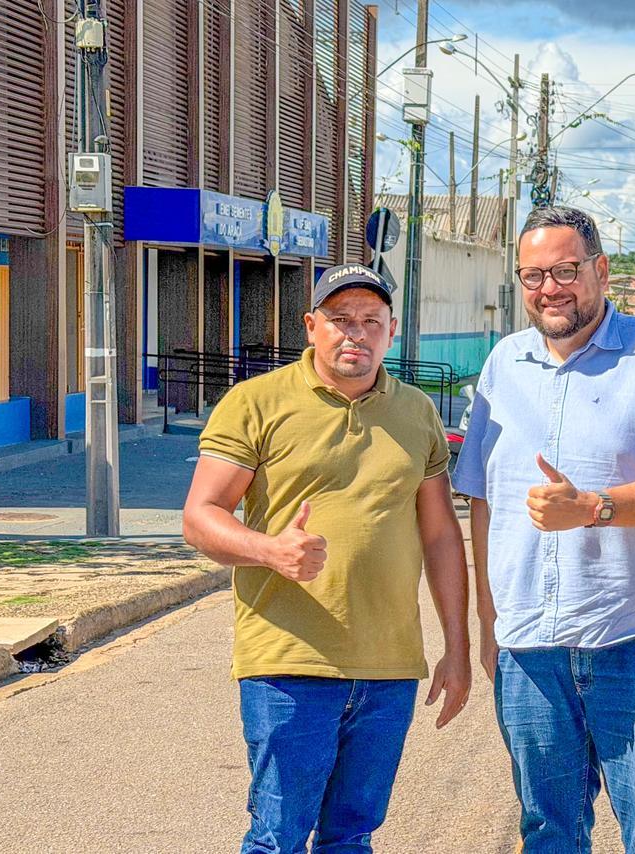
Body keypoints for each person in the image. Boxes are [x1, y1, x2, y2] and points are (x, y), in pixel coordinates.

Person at [452, 206, 635, 852]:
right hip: (531, 653)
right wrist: (489, 627)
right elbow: (483, 503)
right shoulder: (502, 367)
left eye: (566, 271)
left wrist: (594, 508)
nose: (549, 288)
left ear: (601, 271)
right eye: (532, 275)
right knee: (548, 834)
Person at [182, 263, 471, 853]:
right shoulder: (255, 403)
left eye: (371, 321)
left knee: (351, 836)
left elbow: (442, 536)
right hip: (290, 664)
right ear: (311, 326)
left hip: (389, 669)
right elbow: (200, 517)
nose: (355, 334)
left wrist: (457, 649)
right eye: (340, 320)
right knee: (277, 838)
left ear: (392, 331)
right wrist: (268, 549)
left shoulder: (416, 413)